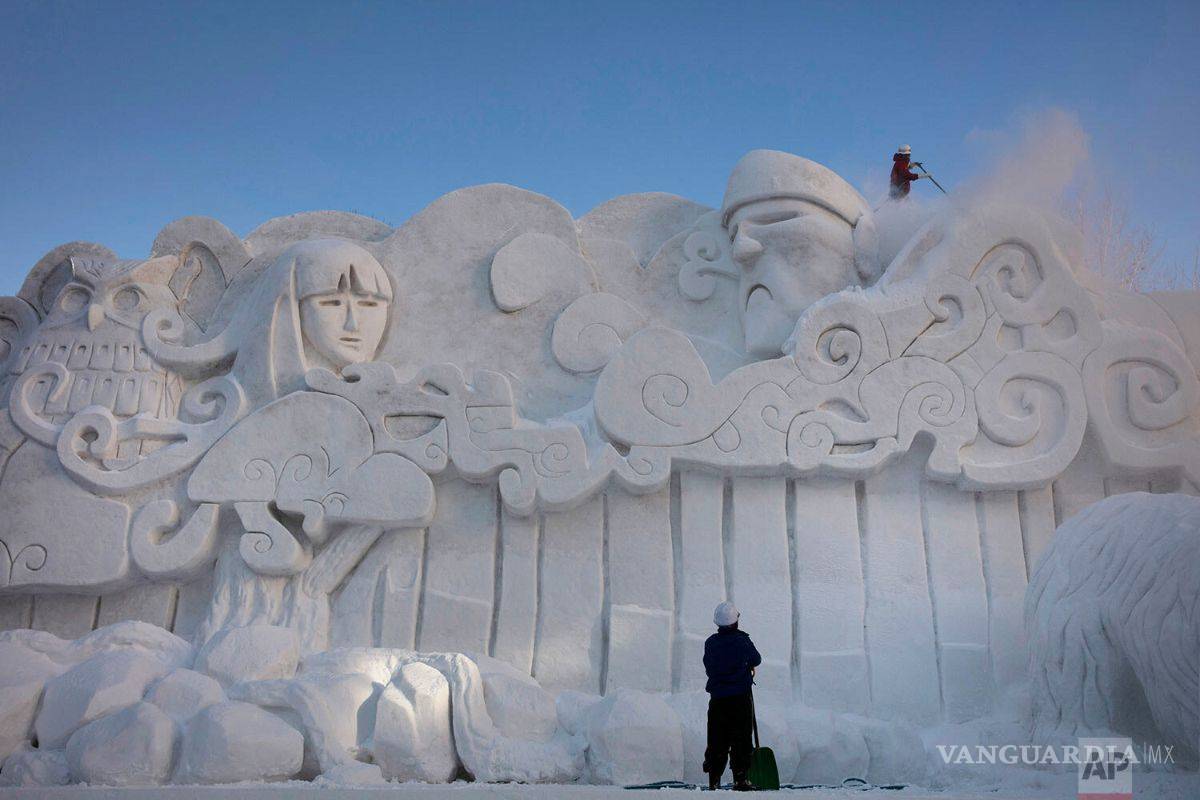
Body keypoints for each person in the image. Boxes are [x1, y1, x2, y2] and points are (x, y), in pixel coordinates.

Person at [703, 601, 762, 791]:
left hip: (718, 699)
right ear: (736, 621)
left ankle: (714, 779)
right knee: (741, 737)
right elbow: (756, 659)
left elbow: (709, 665)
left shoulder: (710, 643)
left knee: (717, 737)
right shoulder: (742, 641)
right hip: (740, 699)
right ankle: (740, 779)